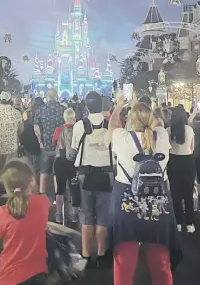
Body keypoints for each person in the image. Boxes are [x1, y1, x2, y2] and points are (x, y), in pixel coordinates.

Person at [108, 94, 181, 285]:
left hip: (127, 204)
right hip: (158, 205)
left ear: (131, 120)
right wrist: (144, 108)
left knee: (124, 262)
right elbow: (157, 123)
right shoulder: (162, 137)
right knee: (160, 262)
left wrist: (119, 106)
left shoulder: (122, 138)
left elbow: (112, 125)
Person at [0, 159, 50, 285]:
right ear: (31, 182)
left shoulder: (4, 212)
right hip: (39, 273)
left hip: (11, 277)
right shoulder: (44, 202)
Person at [72, 91, 113, 268]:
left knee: (87, 214)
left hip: (85, 173)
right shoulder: (110, 125)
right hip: (107, 173)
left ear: (87, 106)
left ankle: (86, 254)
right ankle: (102, 254)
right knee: (103, 216)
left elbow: (74, 147)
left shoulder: (80, 125)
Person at [0, 91, 24, 205]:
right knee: (11, 172)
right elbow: (20, 130)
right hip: (11, 147)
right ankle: (10, 195)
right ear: (10, 100)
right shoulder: (16, 113)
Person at [167, 107, 196, 232]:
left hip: (173, 161)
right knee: (188, 192)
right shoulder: (189, 129)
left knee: (175, 193)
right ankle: (189, 224)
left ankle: (178, 223)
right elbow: (192, 147)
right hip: (188, 161)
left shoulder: (168, 130)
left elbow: (168, 147)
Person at [34, 88, 64, 194]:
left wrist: (39, 140)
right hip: (59, 144)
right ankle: (57, 194)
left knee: (44, 170)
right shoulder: (62, 109)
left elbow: (36, 126)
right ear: (56, 96)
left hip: (45, 143)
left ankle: (42, 193)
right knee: (57, 172)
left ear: (47, 96)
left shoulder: (41, 109)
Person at [53, 108, 78, 224]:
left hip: (60, 162)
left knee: (60, 189)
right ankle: (74, 214)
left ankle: (58, 214)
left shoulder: (59, 129)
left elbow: (54, 142)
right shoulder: (78, 130)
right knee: (74, 188)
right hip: (74, 162)